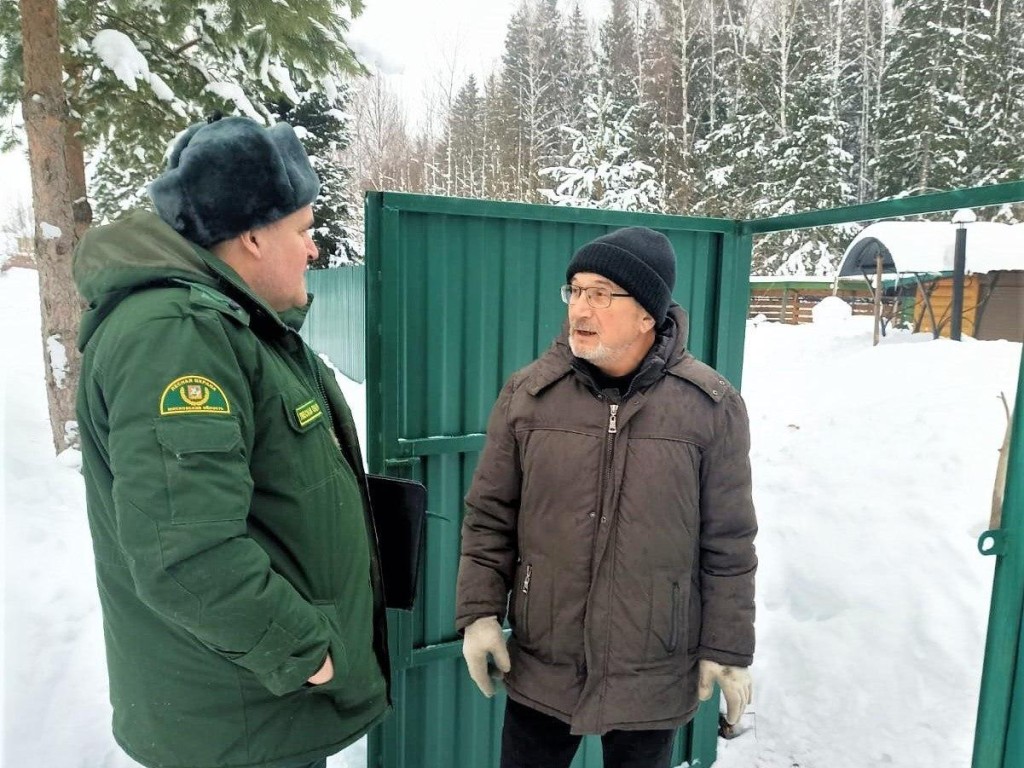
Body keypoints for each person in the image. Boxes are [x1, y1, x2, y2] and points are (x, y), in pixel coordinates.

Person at [73, 115, 390, 768]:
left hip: (256, 715)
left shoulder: (228, 325)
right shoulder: (179, 334)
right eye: (303, 231)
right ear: (250, 234)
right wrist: (307, 655)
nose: (314, 251)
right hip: (239, 728)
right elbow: (185, 554)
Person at [455, 226, 757, 768]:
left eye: (601, 293)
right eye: (575, 290)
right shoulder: (528, 396)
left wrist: (727, 649)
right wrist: (478, 614)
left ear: (648, 312)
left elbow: (729, 540)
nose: (580, 308)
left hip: (655, 669)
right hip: (543, 663)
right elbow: (489, 517)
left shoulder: (710, 407)